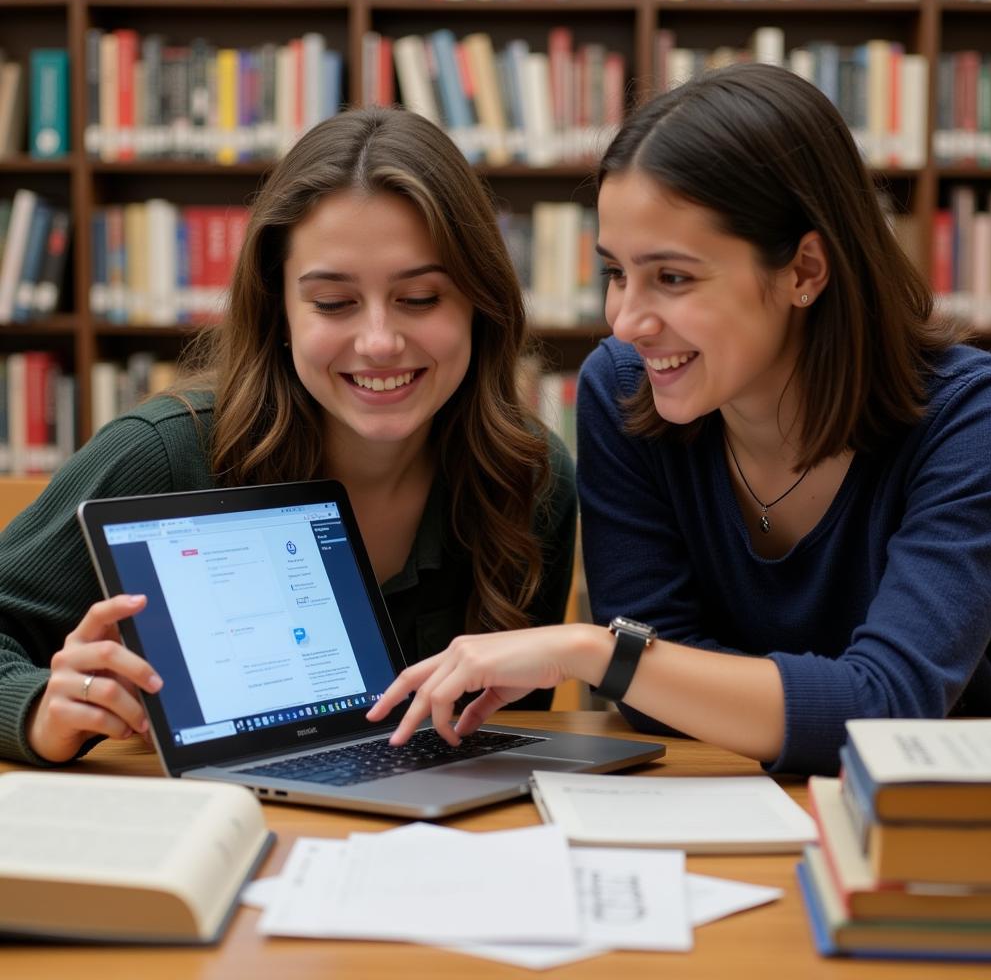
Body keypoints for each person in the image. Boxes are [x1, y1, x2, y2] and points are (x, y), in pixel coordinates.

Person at [369, 63, 991, 776]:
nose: (625, 322)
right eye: (616, 273)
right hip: (721, 804)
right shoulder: (622, 394)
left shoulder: (977, 419)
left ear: (805, 270)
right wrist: (664, 670)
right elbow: (654, 696)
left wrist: (594, 651)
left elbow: (887, 708)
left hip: (947, 832)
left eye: (673, 278)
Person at [0, 107, 576, 766]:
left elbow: (509, 738)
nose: (380, 342)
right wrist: (38, 706)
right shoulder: (162, 452)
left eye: (420, 299)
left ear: (481, 304)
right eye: (333, 303)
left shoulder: (531, 476)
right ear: (279, 308)